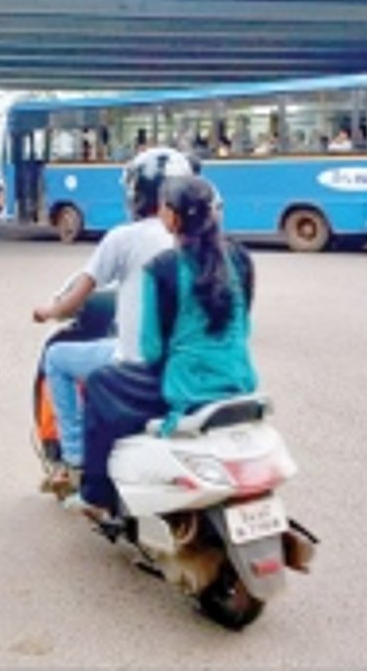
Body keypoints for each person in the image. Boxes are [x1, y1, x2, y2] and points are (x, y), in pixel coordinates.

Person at [72, 174, 257, 518]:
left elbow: (153, 350)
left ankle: (95, 493)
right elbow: (245, 326)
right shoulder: (241, 258)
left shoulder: (163, 268)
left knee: (101, 383)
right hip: (240, 379)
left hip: (186, 387)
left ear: (170, 217)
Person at [32, 148, 193, 492]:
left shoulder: (124, 237)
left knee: (56, 358)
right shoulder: (202, 241)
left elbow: (78, 294)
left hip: (138, 366)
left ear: (138, 193)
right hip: (195, 367)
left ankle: (74, 461)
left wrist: (49, 310)